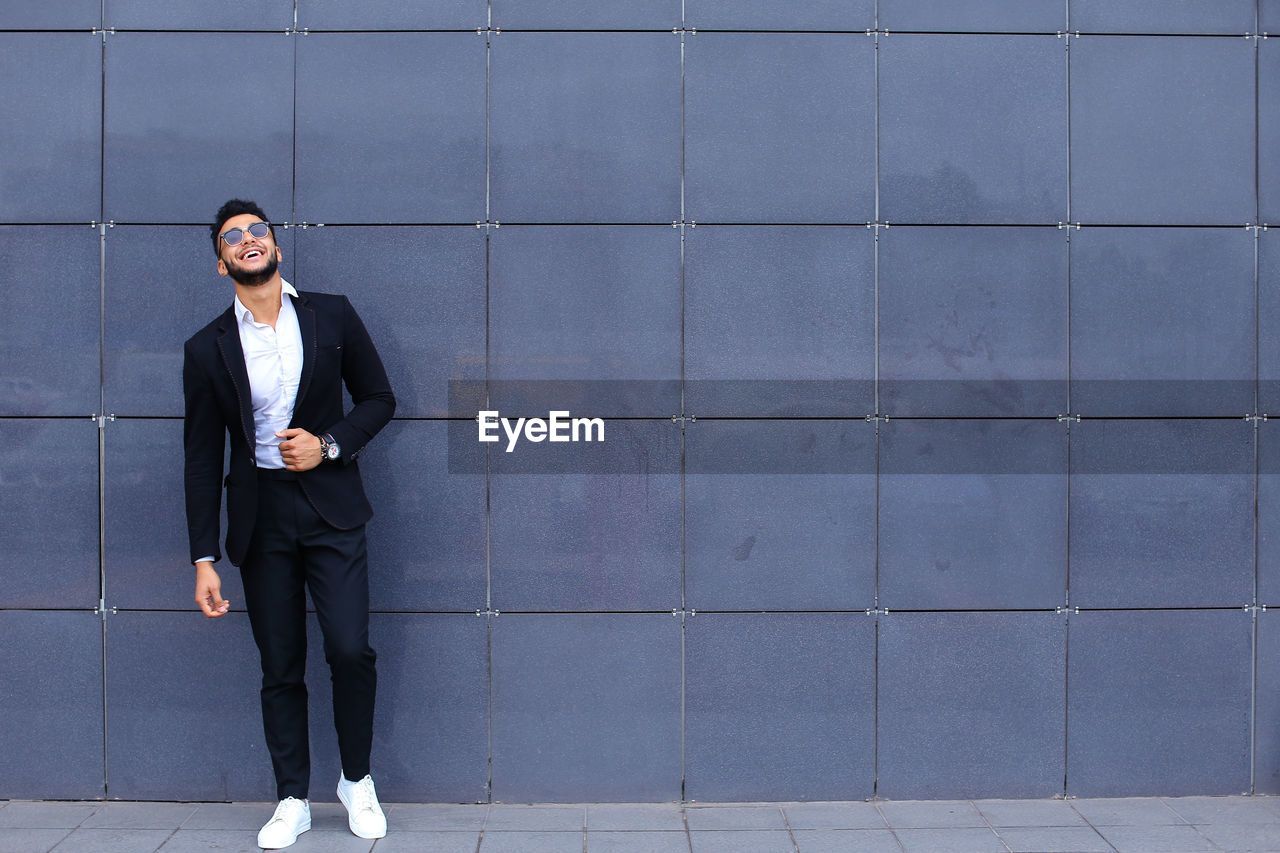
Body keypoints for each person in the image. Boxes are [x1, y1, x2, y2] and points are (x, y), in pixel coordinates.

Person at [183, 199, 395, 849]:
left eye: (257, 230)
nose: (248, 240)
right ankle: (292, 797)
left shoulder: (332, 314)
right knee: (280, 663)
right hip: (261, 518)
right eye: (232, 237)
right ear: (222, 263)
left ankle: (356, 779)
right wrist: (203, 558)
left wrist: (329, 443)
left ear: (275, 245)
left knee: (349, 647)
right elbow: (200, 453)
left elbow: (380, 398)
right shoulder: (206, 347)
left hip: (332, 507)